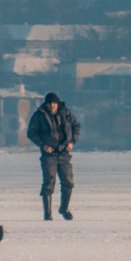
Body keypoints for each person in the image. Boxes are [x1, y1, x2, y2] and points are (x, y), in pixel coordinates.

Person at [27, 92, 80, 221]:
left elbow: (76, 126)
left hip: (64, 153)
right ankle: (48, 213)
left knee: (68, 182)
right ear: (46, 104)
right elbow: (31, 133)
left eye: (54, 103)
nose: (52, 105)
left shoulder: (66, 113)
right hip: (48, 154)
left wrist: (72, 142)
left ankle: (64, 209)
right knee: (48, 182)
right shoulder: (39, 115)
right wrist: (42, 145)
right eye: (50, 103)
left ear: (57, 103)